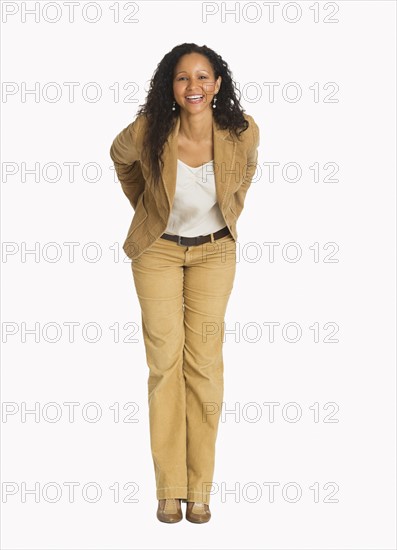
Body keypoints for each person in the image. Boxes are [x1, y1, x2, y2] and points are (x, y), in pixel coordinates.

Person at [110, 43, 260, 524]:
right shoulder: (149, 130)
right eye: (181, 78)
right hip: (158, 250)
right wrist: (147, 207)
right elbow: (120, 158)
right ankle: (169, 490)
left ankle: (200, 491)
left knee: (205, 367)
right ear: (170, 88)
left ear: (217, 85)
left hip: (215, 251)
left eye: (202, 77)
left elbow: (246, 171)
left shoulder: (242, 131)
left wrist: (231, 208)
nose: (192, 86)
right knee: (164, 365)